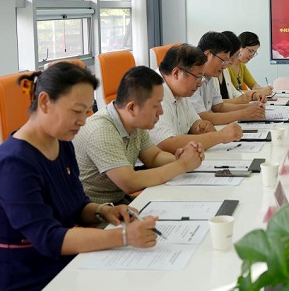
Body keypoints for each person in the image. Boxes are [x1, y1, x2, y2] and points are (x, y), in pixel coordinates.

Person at [0, 63, 158, 291]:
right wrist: (124, 236)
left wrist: (103, 211)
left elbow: (77, 205)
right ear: (45, 102)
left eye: (87, 111)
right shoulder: (12, 164)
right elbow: (49, 238)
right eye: (76, 111)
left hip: (64, 268)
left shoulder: (62, 143)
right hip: (24, 285)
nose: (83, 121)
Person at [75, 66, 205, 205]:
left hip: (119, 202)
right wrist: (181, 165)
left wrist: (181, 158)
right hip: (95, 209)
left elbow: (154, 157)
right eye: (156, 105)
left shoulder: (134, 123)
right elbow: (129, 182)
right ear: (132, 107)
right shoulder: (101, 131)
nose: (161, 112)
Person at [149, 43, 242, 153]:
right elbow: (165, 143)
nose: (200, 84)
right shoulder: (153, 93)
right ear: (176, 73)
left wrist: (202, 127)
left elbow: (194, 122)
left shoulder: (180, 89)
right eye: (197, 77)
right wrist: (220, 136)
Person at [190, 31, 266, 124]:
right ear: (207, 55)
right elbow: (202, 116)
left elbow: (219, 106)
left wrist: (251, 107)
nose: (224, 65)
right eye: (223, 60)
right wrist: (242, 114)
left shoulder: (210, 77)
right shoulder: (192, 78)